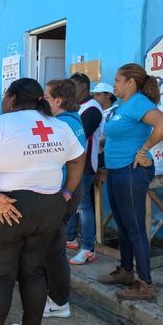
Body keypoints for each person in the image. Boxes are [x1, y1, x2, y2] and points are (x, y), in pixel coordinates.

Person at [0, 78, 84, 325]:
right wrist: (66, 192)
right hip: (47, 209)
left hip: (2, 209)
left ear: (13, 98)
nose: (4, 100)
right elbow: (78, 159)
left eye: (6, 95)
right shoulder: (59, 126)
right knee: (33, 272)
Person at [98, 63, 163, 301]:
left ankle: (146, 283)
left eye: (117, 80)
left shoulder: (139, 103)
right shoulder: (122, 106)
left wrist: (145, 150)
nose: (114, 84)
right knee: (123, 224)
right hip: (117, 171)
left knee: (136, 227)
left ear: (130, 82)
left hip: (132, 172)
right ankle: (126, 271)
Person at [41, 79, 87, 318]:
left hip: (64, 191)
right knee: (53, 246)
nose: (42, 101)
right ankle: (53, 296)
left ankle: (59, 302)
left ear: (58, 100)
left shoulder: (61, 125)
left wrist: (65, 192)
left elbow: (73, 160)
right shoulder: (73, 120)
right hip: (70, 189)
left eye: (46, 97)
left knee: (54, 249)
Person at [67, 73, 103, 265]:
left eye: (73, 86)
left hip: (85, 165)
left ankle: (88, 248)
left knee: (84, 207)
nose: (70, 90)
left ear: (83, 86)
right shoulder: (78, 108)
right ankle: (70, 238)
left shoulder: (92, 109)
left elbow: (78, 137)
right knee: (71, 203)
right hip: (72, 164)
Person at [92, 82, 119, 171]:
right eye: (94, 95)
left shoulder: (117, 113)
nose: (94, 98)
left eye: (98, 94)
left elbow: (115, 135)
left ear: (108, 95)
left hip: (109, 155)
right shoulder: (93, 110)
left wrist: (101, 143)